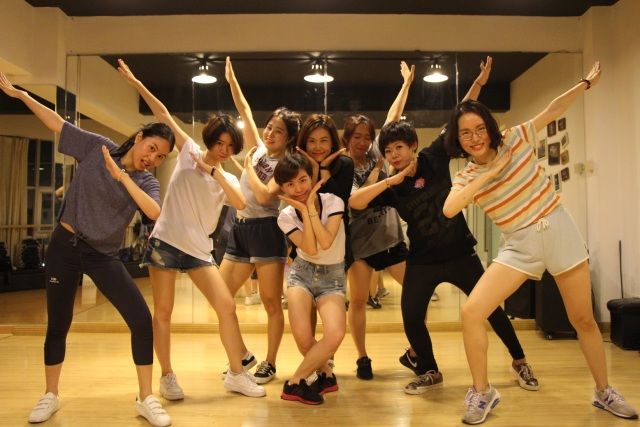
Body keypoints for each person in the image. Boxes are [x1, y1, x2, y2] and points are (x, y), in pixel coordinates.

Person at [442, 62, 637, 424]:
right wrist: (490, 173)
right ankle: (483, 392)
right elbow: (451, 208)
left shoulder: (515, 139)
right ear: (458, 139)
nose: (475, 138)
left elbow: (552, 110)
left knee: (583, 319)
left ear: (490, 127)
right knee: (472, 313)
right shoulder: (466, 175)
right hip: (519, 245)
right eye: (465, 133)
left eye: (480, 128)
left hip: (559, 230)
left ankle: (604, 391)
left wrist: (584, 84)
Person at [350, 56, 539, 400]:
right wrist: (389, 180)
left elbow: (457, 116)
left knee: (491, 309)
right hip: (422, 259)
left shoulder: (434, 157)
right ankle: (429, 370)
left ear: (412, 146)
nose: (394, 155)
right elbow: (356, 203)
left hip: (459, 253)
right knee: (411, 315)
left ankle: (520, 361)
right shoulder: (392, 186)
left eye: (399, 148)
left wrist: (479, 83)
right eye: (388, 151)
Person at [0, 72, 174, 426]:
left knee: (141, 319)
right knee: (58, 323)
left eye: (161, 157)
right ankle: (50, 395)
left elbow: (154, 212)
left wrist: (121, 176)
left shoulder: (145, 181)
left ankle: (146, 398)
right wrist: (20, 96)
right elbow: (57, 123)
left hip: (102, 255)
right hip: (64, 247)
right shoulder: (98, 147)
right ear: (139, 138)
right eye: (152, 148)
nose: (153, 158)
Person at [117, 60, 266, 399]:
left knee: (226, 307)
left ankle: (236, 374)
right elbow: (164, 114)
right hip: (166, 243)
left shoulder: (227, 179)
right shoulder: (189, 152)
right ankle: (167, 376)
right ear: (210, 140)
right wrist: (138, 83)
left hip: (199, 250)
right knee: (164, 312)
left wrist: (213, 172)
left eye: (230, 146)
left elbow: (241, 202)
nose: (224, 150)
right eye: (220, 143)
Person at [221, 57, 302, 384]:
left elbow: (267, 196)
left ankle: (269, 362)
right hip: (240, 228)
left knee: (271, 302)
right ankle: (242, 354)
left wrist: (248, 170)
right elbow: (244, 110)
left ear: (288, 138)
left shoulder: (287, 164)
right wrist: (232, 81)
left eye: (278, 131)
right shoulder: (255, 149)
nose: (270, 133)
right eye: (269, 127)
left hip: (267, 230)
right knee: (221, 296)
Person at [343, 61, 414, 379]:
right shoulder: (343, 166)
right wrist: (376, 172)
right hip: (360, 244)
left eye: (366, 137)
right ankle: (362, 357)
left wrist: (405, 85)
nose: (362, 142)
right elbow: (358, 200)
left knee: (414, 292)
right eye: (356, 137)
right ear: (347, 138)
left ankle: (416, 349)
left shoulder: (376, 152)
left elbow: (392, 118)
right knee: (358, 300)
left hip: (391, 238)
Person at [274, 154, 346, 405]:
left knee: (335, 334)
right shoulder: (285, 216)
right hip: (301, 274)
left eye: (303, 180)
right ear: (282, 189)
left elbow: (325, 242)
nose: (298, 188)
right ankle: (326, 375)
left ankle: (295, 382)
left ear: (312, 178)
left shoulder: (333, 201)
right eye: (290, 184)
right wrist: (304, 211)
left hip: (332, 276)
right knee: (304, 338)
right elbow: (311, 249)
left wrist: (310, 209)